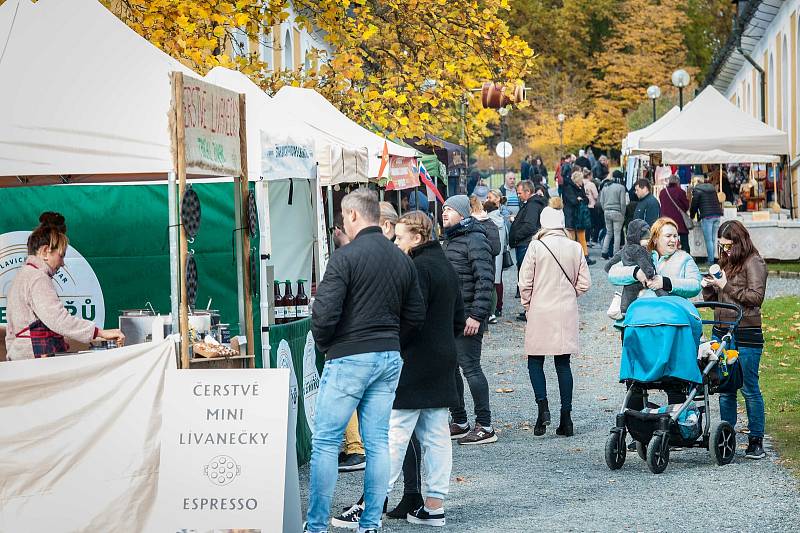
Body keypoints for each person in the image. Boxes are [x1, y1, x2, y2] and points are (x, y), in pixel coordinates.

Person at [334, 212, 465, 528]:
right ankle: (434, 506)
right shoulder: (445, 265)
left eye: (400, 237)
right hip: (442, 360)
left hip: (414, 364)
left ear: (417, 239)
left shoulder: (417, 267)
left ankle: (370, 505)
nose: (396, 242)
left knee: (392, 436)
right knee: (435, 436)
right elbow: (458, 319)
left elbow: (411, 317)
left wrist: (392, 345)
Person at [305, 189, 425, 533]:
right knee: (377, 444)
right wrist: (392, 342)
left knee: (326, 442)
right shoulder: (401, 258)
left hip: (350, 355)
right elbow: (416, 314)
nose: (343, 222)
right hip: (388, 356)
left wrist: (329, 345)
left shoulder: (344, 258)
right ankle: (370, 523)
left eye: (344, 217)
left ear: (354, 216)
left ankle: (315, 526)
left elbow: (324, 314)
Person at [607, 217, 702, 415]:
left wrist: (666, 282)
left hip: (671, 327)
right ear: (655, 238)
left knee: (674, 379)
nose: (673, 240)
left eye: (675, 236)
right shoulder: (641, 254)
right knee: (636, 380)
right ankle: (637, 429)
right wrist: (635, 272)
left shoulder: (684, 259)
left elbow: (694, 284)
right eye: (668, 236)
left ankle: (676, 426)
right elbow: (613, 273)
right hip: (641, 325)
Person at [5, 217, 125, 360]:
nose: (62, 263)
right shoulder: (38, 278)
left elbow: (10, 333)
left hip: (21, 359)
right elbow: (58, 320)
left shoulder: (23, 276)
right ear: (45, 252)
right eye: (61, 256)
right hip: (35, 362)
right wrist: (100, 333)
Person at [519, 206, 591, 437]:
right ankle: (566, 418)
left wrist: (528, 305)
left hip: (540, 308)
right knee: (563, 364)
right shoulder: (574, 247)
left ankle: (542, 407)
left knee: (535, 360)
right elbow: (584, 283)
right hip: (565, 310)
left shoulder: (536, 246)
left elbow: (525, 281)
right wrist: (571, 295)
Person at [701, 220, 768, 460]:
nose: (725, 251)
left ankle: (756, 440)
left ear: (740, 242)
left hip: (746, 330)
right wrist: (709, 287)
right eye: (722, 246)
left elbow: (756, 297)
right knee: (725, 387)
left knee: (749, 387)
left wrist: (726, 286)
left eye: (729, 246)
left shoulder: (754, 262)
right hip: (721, 330)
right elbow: (715, 297)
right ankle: (726, 436)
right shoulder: (724, 261)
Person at [441, 195, 497, 445]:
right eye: (443, 209)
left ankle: (485, 425)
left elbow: (486, 281)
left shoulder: (475, 239)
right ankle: (460, 420)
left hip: (468, 317)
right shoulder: (451, 240)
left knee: (471, 369)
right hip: (451, 317)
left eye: (449, 210)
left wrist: (476, 315)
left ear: (463, 214)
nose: (444, 213)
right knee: (451, 369)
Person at [562, 170, 594, 265]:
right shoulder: (568, 187)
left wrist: (580, 199)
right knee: (571, 238)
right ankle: (571, 258)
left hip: (579, 217)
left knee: (581, 237)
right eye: (581, 180)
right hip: (571, 216)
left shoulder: (580, 187)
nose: (582, 181)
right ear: (577, 180)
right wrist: (579, 199)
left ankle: (585, 256)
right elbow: (573, 201)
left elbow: (586, 199)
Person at [690, 175, 724, 265]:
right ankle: (716, 258)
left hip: (707, 217)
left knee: (709, 240)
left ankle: (710, 261)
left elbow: (694, 205)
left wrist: (692, 215)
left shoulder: (697, 191)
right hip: (717, 215)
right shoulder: (712, 189)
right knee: (714, 239)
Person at [485, 197, 509, 320]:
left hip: (492, 255)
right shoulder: (500, 219)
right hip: (499, 255)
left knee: (491, 284)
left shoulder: (489, 221)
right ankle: (497, 308)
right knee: (498, 282)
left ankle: (491, 311)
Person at [659, 175, 691, 254]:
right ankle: (686, 256)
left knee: (668, 241)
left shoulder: (662, 192)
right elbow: (686, 206)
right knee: (684, 243)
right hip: (679, 222)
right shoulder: (680, 192)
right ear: (677, 182)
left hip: (667, 222)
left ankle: (668, 256)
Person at [599, 170, 627, 258]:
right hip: (617, 212)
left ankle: (604, 252)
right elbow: (623, 203)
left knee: (609, 233)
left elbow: (601, 201)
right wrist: (623, 213)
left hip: (606, 211)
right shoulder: (621, 187)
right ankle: (616, 254)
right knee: (617, 233)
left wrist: (605, 209)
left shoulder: (605, 187)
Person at [583, 169, 600, 245]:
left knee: (586, 223)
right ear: (589, 176)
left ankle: (586, 239)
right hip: (592, 205)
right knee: (595, 223)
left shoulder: (581, 183)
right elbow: (596, 196)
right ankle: (593, 239)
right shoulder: (591, 184)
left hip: (584, 205)